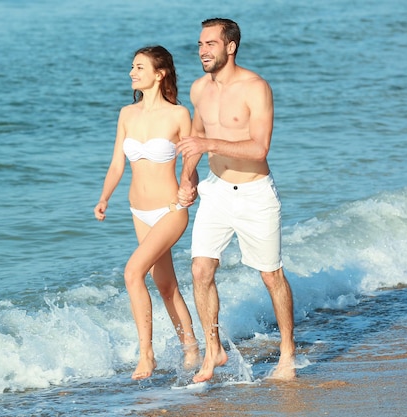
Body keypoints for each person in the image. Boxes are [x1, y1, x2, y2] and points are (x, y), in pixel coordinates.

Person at [176, 18, 296, 383]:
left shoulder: (255, 88)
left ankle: (288, 352)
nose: (202, 51)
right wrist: (187, 177)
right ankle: (214, 351)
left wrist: (207, 144)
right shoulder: (199, 89)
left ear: (231, 47)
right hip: (216, 190)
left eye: (211, 44)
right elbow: (196, 136)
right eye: (200, 44)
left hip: (255, 192)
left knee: (270, 275)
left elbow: (259, 148)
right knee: (200, 270)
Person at [94, 45, 201, 380]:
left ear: (160, 73)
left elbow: (192, 160)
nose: (132, 73)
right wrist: (104, 198)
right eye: (132, 67)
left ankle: (147, 356)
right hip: (138, 211)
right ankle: (192, 347)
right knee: (166, 284)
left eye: (139, 68)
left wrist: (189, 185)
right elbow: (116, 164)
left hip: (171, 209)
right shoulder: (127, 113)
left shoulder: (178, 115)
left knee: (132, 273)